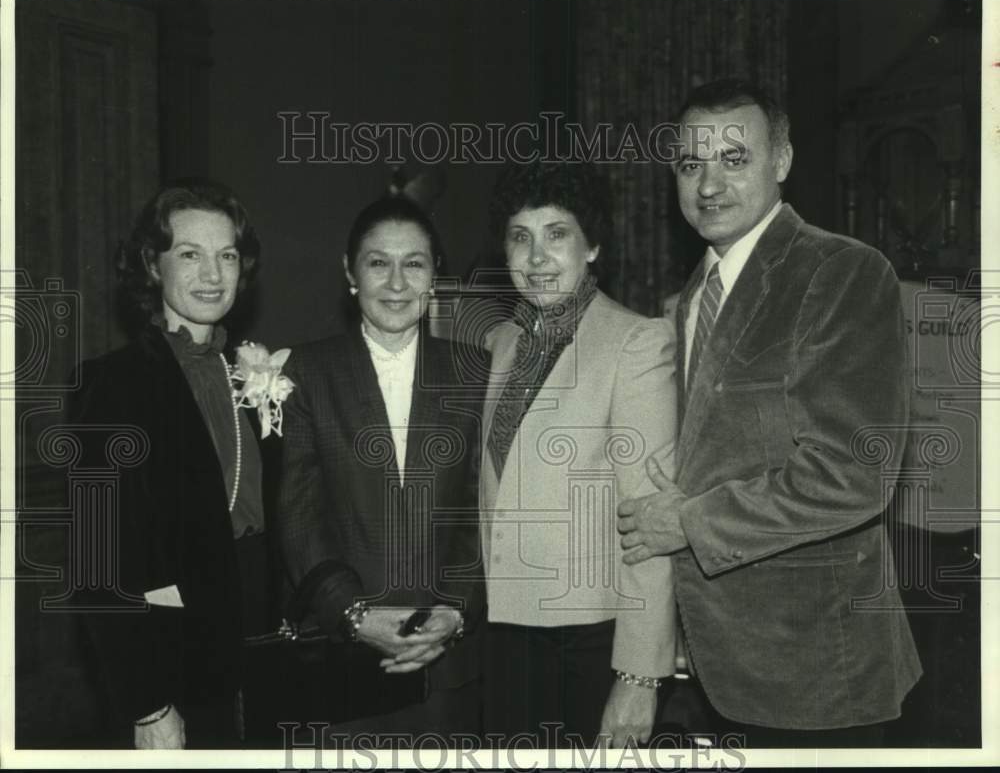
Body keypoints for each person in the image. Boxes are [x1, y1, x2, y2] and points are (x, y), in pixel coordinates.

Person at [617, 78, 922, 747]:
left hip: (815, 677)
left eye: (734, 159)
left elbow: (853, 474)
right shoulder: (692, 294)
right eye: (691, 164)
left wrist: (688, 521)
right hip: (713, 670)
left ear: (780, 163)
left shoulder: (842, 272)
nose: (708, 184)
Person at [480, 160, 677, 748]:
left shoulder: (636, 343)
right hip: (505, 630)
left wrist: (639, 675)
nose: (536, 256)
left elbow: (652, 522)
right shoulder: (503, 340)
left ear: (592, 246)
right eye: (521, 237)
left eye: (556, 234)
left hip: (590, 639)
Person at [71, 178, 274, 748]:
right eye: (190, 254)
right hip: (173, 665)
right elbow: (97, 565)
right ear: (153, 267)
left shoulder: (253, 375)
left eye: (227, 255)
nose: (213, 275)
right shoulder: (114, 384)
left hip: (257, 655)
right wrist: (147, 706)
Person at [277, 194, 485, 741]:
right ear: (350, 272)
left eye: (414, 263)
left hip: (450, 669)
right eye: (377, 262)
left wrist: (452, 614)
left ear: (435, 274)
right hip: (341, 666)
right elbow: (299, 519)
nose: (396, 282)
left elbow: (486, 511)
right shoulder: (305, 372)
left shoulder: (475, 373)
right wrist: (354, 617)